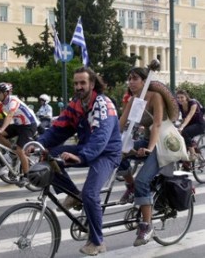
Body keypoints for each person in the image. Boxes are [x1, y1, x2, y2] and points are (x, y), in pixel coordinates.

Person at [35, 66, 122, 256]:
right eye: (75, 83)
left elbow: (101, 136)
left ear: (92, 83)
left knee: (91, 193)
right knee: (48, 156)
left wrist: (81, 156)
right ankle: (74, 194)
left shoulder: (103, 103)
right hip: (86, 149)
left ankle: (97, 241)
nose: (78, 86)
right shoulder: (75, 104)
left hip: (107, 153)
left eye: (82, 83)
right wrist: (38, 144)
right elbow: (59, 129)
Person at [119, 67, 178, 247]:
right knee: (117, 155)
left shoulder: (155, 97)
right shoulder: (133, 100)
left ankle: (147, 226)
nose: (131, 82)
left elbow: (158, 124)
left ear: (144, 81)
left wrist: (150, 148)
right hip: (146, 142)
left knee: (143, 181)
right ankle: (131, 186)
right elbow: (120, 124)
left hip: (161, 145)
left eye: (135, 78)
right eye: (129, 78)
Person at [0, 82, 38, 187]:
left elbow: (9, 116)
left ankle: (27, 175)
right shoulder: (1, 104)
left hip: (28, 126)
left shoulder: (13, 101)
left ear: (6, 93)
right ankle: (13, 153)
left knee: (20, 150)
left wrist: (2, 128)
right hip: (18, 126)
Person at [176, 90, 205, 161]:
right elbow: (176, 115)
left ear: (186, 97)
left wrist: (182, 127)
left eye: (182, 97)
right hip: (189, 124)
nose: (180, 99)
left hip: (199, 124)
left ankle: (193, 154)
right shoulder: (179, 105)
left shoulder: (193, 103)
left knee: (185, 132)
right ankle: (185, 162)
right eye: (178, 97)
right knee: (177, 134)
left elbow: (189, 116)